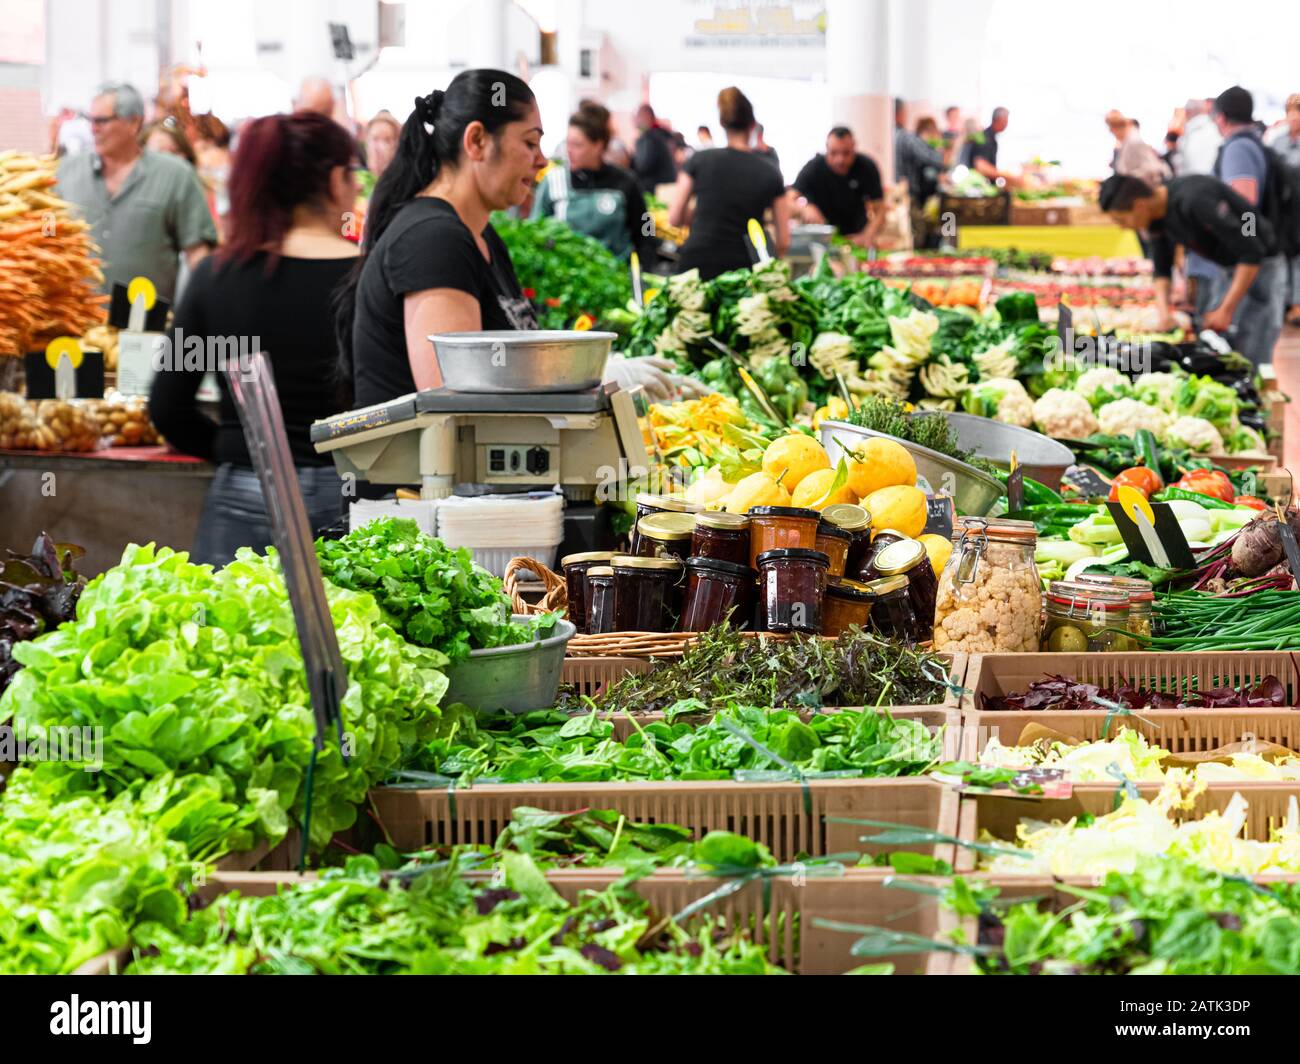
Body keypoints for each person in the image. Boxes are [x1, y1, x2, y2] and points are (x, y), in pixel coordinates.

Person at [338, 70, 690, 409]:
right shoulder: (433, 240)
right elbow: (451, 408)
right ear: (476, 141)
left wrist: (586, 370)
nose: (541, 161)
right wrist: (590, 380)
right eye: (529, 143)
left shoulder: (481, 235)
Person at [148, 112, 360, 566]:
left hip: (242, 491)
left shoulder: (216, 277)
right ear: (332, 179)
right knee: (353, 634)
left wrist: (233, 447)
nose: (358, 187)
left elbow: (168, 406)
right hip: (349, 499)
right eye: (351, 173)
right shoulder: (369, 278)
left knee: (235, 631)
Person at [57, 82, 216, 302]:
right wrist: (48, 240)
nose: (93, 128)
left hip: (145, 325)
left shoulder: (174, 175)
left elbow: (197, 252)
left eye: (102, 121)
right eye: (90, 120)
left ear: (133, 122)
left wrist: (202, 311)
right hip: (76, 324)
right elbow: (47, 223)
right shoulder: (66, 172)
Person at [1100, 173, 1278, 365]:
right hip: (1231, 265)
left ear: (1139, 206)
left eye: (1121, 220)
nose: (1123, 227)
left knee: (1253, 336)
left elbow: (1250, 247)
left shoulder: (1195, 199)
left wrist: (1226, 310)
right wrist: (1164, 314)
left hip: (1261, 262)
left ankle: (1258, 380)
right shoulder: (1157, 216)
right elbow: (1161, 269)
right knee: (1225, 335)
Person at [668, 86, 789, 280]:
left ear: (722, 123)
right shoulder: (770, 171)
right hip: (744, 268)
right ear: (752, 125)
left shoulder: (699, 160)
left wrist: (700, 214)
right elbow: (783, 240)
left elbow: (674, 218)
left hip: (697, 265)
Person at [1208, 85, 1287, 363]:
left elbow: (1246, 204)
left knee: (1246, 351)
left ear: (1220, 117)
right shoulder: (1254, 143)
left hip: (1256, 263)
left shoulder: (1239, 148)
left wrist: (1245, 245)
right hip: (1264, 256)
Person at [532, 100, 656, 263]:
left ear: (598, 145)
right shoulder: (553, 182)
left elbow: (646, 232)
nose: (569, 151)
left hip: (615, 280)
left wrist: (643, 270)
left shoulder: (625, 183)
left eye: (577, 145)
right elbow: (535, 232)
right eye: (568, 143)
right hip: (563, 278)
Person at [793, 126, 885, 247]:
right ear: (827, 149)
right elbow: (789, 198)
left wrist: (867, 235)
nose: (840, 160)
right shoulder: (813, 168)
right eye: (834, 153)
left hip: (855, 238)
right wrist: (804, 207)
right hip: (821, 240)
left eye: (846, 153)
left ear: (854, 147)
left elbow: (880, 209)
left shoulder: (866, 167)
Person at [1265, 94, 1300, 326]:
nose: (1294, 117)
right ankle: (1287, 302)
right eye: (1291, 112)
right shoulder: (1277, 141)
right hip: (1284, 211)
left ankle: (1297, 304)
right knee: (1285, 254)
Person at [898, 116, 945, 249]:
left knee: (920, 227)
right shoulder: (916, 143)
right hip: (913, 193)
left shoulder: (913, 141)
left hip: (918, 194)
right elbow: (936, 161)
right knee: (918, 229)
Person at [1106, 109, 1170, 188]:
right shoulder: (1128, 141)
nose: (1113, 135)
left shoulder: (1133, 141)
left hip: (1147, 188)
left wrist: (1126, 177)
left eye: (1112, 132)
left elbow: (1149, 169)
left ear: (1116, 128)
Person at [630, 103, 677, 194]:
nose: (634, 120)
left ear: (646, 116)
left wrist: (628, 162)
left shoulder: (649, 138)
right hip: (665, 189)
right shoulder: (660, 135)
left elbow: (643, 165)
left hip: (654, 191)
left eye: (637, 116)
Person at [960, 107, 1011, 182]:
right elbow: (980, 165)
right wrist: (1006, 175)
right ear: (999, 120)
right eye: (1005, 121)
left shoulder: (990, 137)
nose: (1006, 124)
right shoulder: (983, 138)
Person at [364, 111, 401, 179]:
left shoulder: (403, 180)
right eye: (375, 139)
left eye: (387, 140)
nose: (381, 147)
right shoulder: (357, 182)